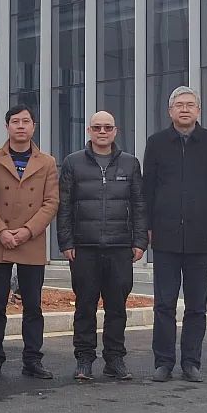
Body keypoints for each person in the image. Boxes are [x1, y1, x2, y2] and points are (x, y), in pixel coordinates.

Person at [143, 86, 207, 383]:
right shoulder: (156, 143)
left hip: (200, 235)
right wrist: (146, 226)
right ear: (170, 111)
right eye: (179, 105)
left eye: (190, 105)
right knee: (164, 304)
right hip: (165, 235)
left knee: (196, 305)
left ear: (198, 111)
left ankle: (191, 362)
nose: (184, 109)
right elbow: (148, 188)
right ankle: (163, 362)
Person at [57, 111, 147, 382]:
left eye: (108, 127)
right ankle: (84, 359)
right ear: (89, 131)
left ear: (115, 131)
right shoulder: (73, 162)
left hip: (120, 247)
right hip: (84, 247)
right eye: (97, 128)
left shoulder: (130, 164)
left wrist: (139, 241)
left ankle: (114, 359)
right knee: (85, 306)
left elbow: (139, 205)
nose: (102, 132)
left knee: (117, 307)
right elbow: (64, 206)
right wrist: (66, 242)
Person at [0, 104, 59, 380]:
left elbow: (51, 202)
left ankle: (33, 360)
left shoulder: (47, 162)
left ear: (34, 126)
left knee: (33, 306)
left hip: (32, 241)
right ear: (7, 127)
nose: (21, 126)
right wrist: (0, 231)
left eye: (26, 121)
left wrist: (27, 231)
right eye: (15, 121)